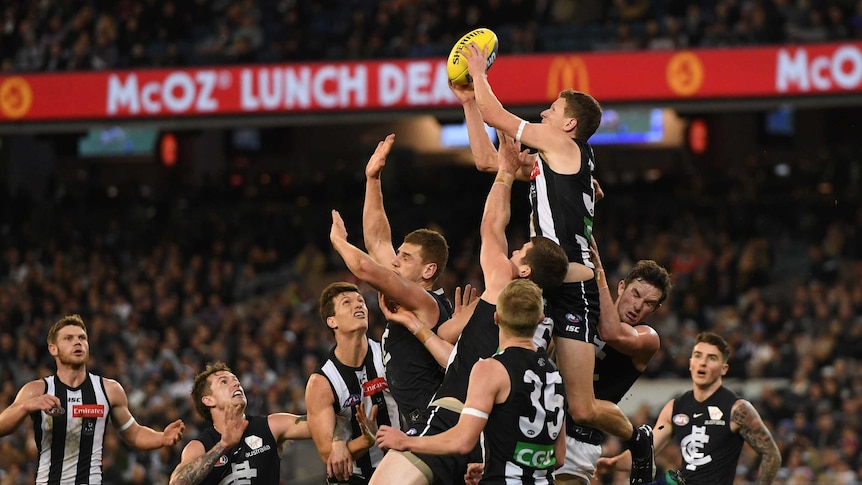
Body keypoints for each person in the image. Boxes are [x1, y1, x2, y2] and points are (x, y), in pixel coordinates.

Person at [457, 42, 656, 484]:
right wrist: (470, 102)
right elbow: (488, 159)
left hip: (573, 285)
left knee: (582, 406)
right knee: (511, 360)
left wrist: (478, 73)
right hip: (547, 276)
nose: (544, 114)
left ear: (569, 123)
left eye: (552, 109)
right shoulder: (556, 159)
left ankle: (638, 439)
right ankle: (506, 459)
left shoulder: (562, 144)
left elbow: (500, 117)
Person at [367, 132, 569, 485]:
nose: (512, 252)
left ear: (524, 272)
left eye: (520, 251)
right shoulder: (546, 334)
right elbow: (461, 360)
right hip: (493, 440)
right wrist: (424, 330)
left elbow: (492, 227)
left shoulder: (503, 289)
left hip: (451, 418)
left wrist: (505, 173)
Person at [375, 279, 566, 484]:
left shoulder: (490, 368)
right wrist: (493, 464)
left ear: (496, 317)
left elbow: (463, 441)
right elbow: (559, 456)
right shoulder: (554, 375)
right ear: (540, 320)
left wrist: (406, 441)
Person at [330, 133, 454, 430]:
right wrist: (373, 178)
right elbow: (377, 241)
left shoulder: (425, 301)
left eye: (406, 257)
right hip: (418, 421)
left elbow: (365, 267)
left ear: (428, 271)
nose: (396, 260)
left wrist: (339, 242)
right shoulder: (410, 289)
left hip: (432, 421)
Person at [0, 314, 185, 484]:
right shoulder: (36, 390)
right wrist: (25, 406)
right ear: (53, 349)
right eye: (68, 338)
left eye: (82, 338)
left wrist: (162, 438)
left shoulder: (109, 390)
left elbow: (134, 434)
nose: (77, 342)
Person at [555, 238, 673, 485]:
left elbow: (611, 333)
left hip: (580, 440)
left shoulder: (648, 339)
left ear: (655, 309)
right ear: (621, 287)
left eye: (649, 303)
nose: (637, 306)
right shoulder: (586, 309)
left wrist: (597, 271)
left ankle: (638, 440)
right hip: (544, 421)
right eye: (635, 294)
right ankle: (639, 440)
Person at [602, 332, 782, 485]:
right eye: (698, 355)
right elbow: (647, 450)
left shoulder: (737, 409)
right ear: (690, 363)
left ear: (724, 369)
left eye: (712, 358)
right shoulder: (675, 407)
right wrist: (613, 463)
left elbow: (771, 455)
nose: (702, 362)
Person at [305, 282, 401, 484]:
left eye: (361, 301)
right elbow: (329, 456)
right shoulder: (321, 382)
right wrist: (366, 440)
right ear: (332, 321)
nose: (358, 306)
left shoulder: (388, 354)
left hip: (401, 464)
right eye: (346, 303)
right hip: (356, 477)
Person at [169, 361, 311, 485]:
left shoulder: (270, 425)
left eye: (235, 380)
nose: (236, 383)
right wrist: (223, 446)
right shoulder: (199, 446)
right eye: (224, 382)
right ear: (209, 400)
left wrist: (335, 443)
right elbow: (177, 482)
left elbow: (320, 424)